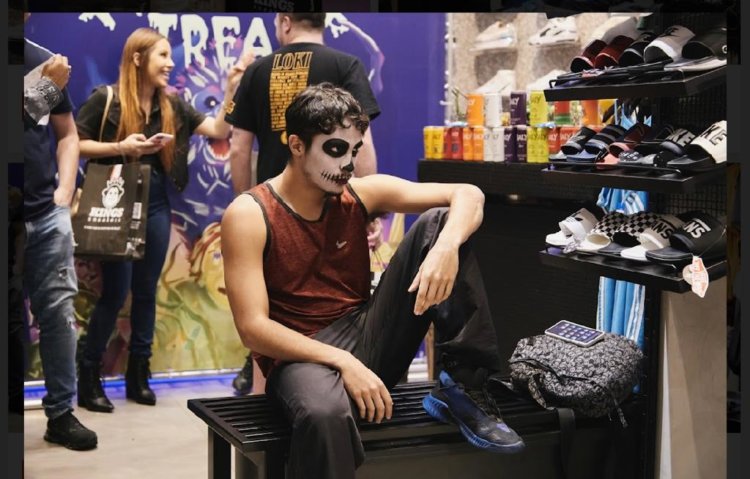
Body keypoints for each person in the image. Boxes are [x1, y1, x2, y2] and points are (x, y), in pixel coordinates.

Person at [221, 84, 525, 479]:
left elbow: (469, 194)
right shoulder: (250, 214)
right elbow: (253, 329)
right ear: (296, 145)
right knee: (325, 414)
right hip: (300, 356)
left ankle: (464, 387)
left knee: (440, 221)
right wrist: (343, 361)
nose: (347, 163)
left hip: (368, 333)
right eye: (335, 149)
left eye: (354, 150)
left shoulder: (360, 193)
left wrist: (447, 246)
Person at [74, 27, 251, 412]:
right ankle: (88, 376)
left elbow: (219, 129)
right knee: (115, 293)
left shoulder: (172, 106)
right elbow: (76, 144)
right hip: (116, 203)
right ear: (138, 58)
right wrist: (121, 147)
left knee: (146, 291)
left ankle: (139, 374)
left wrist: (230, 90)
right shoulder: (106, 99)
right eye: (163, 56)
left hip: (155, 204)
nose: (171, 64)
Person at [226, 12, 382, 395]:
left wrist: (246, 207)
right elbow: (362, 143)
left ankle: (269, 380)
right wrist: (364, 209)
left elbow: (238, 147)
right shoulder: (345, 65)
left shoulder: (257, 70)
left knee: (267, 307)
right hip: (329, 209)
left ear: (284, 21)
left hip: (272, 210)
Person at [24, 36, 97, 450]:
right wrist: (45, 89)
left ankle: (60, 413)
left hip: (45, 215)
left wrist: (64, 192)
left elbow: (67, 134)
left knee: (58, 315)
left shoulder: (42, 59)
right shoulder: (50, 72)